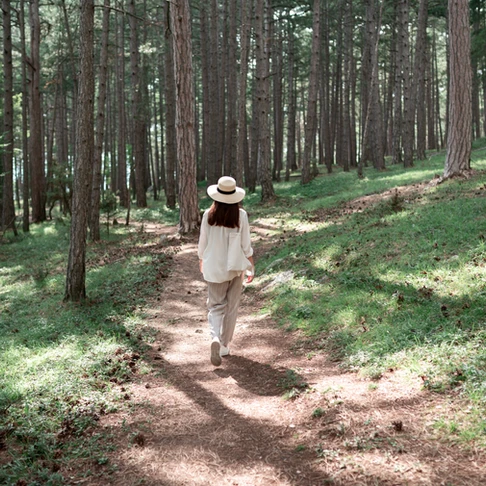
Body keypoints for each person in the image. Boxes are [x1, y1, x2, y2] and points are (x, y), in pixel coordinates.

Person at [198, 176, 254, 367]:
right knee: (231, 307)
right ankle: (224, 345)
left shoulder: (208, 215)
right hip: (235, 267)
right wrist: (251, 266)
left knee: (215, 306)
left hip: (214, 267)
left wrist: (201, 260)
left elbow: (203, 242)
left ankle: (214, 337)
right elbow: (246, 245)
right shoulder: (241, 215)